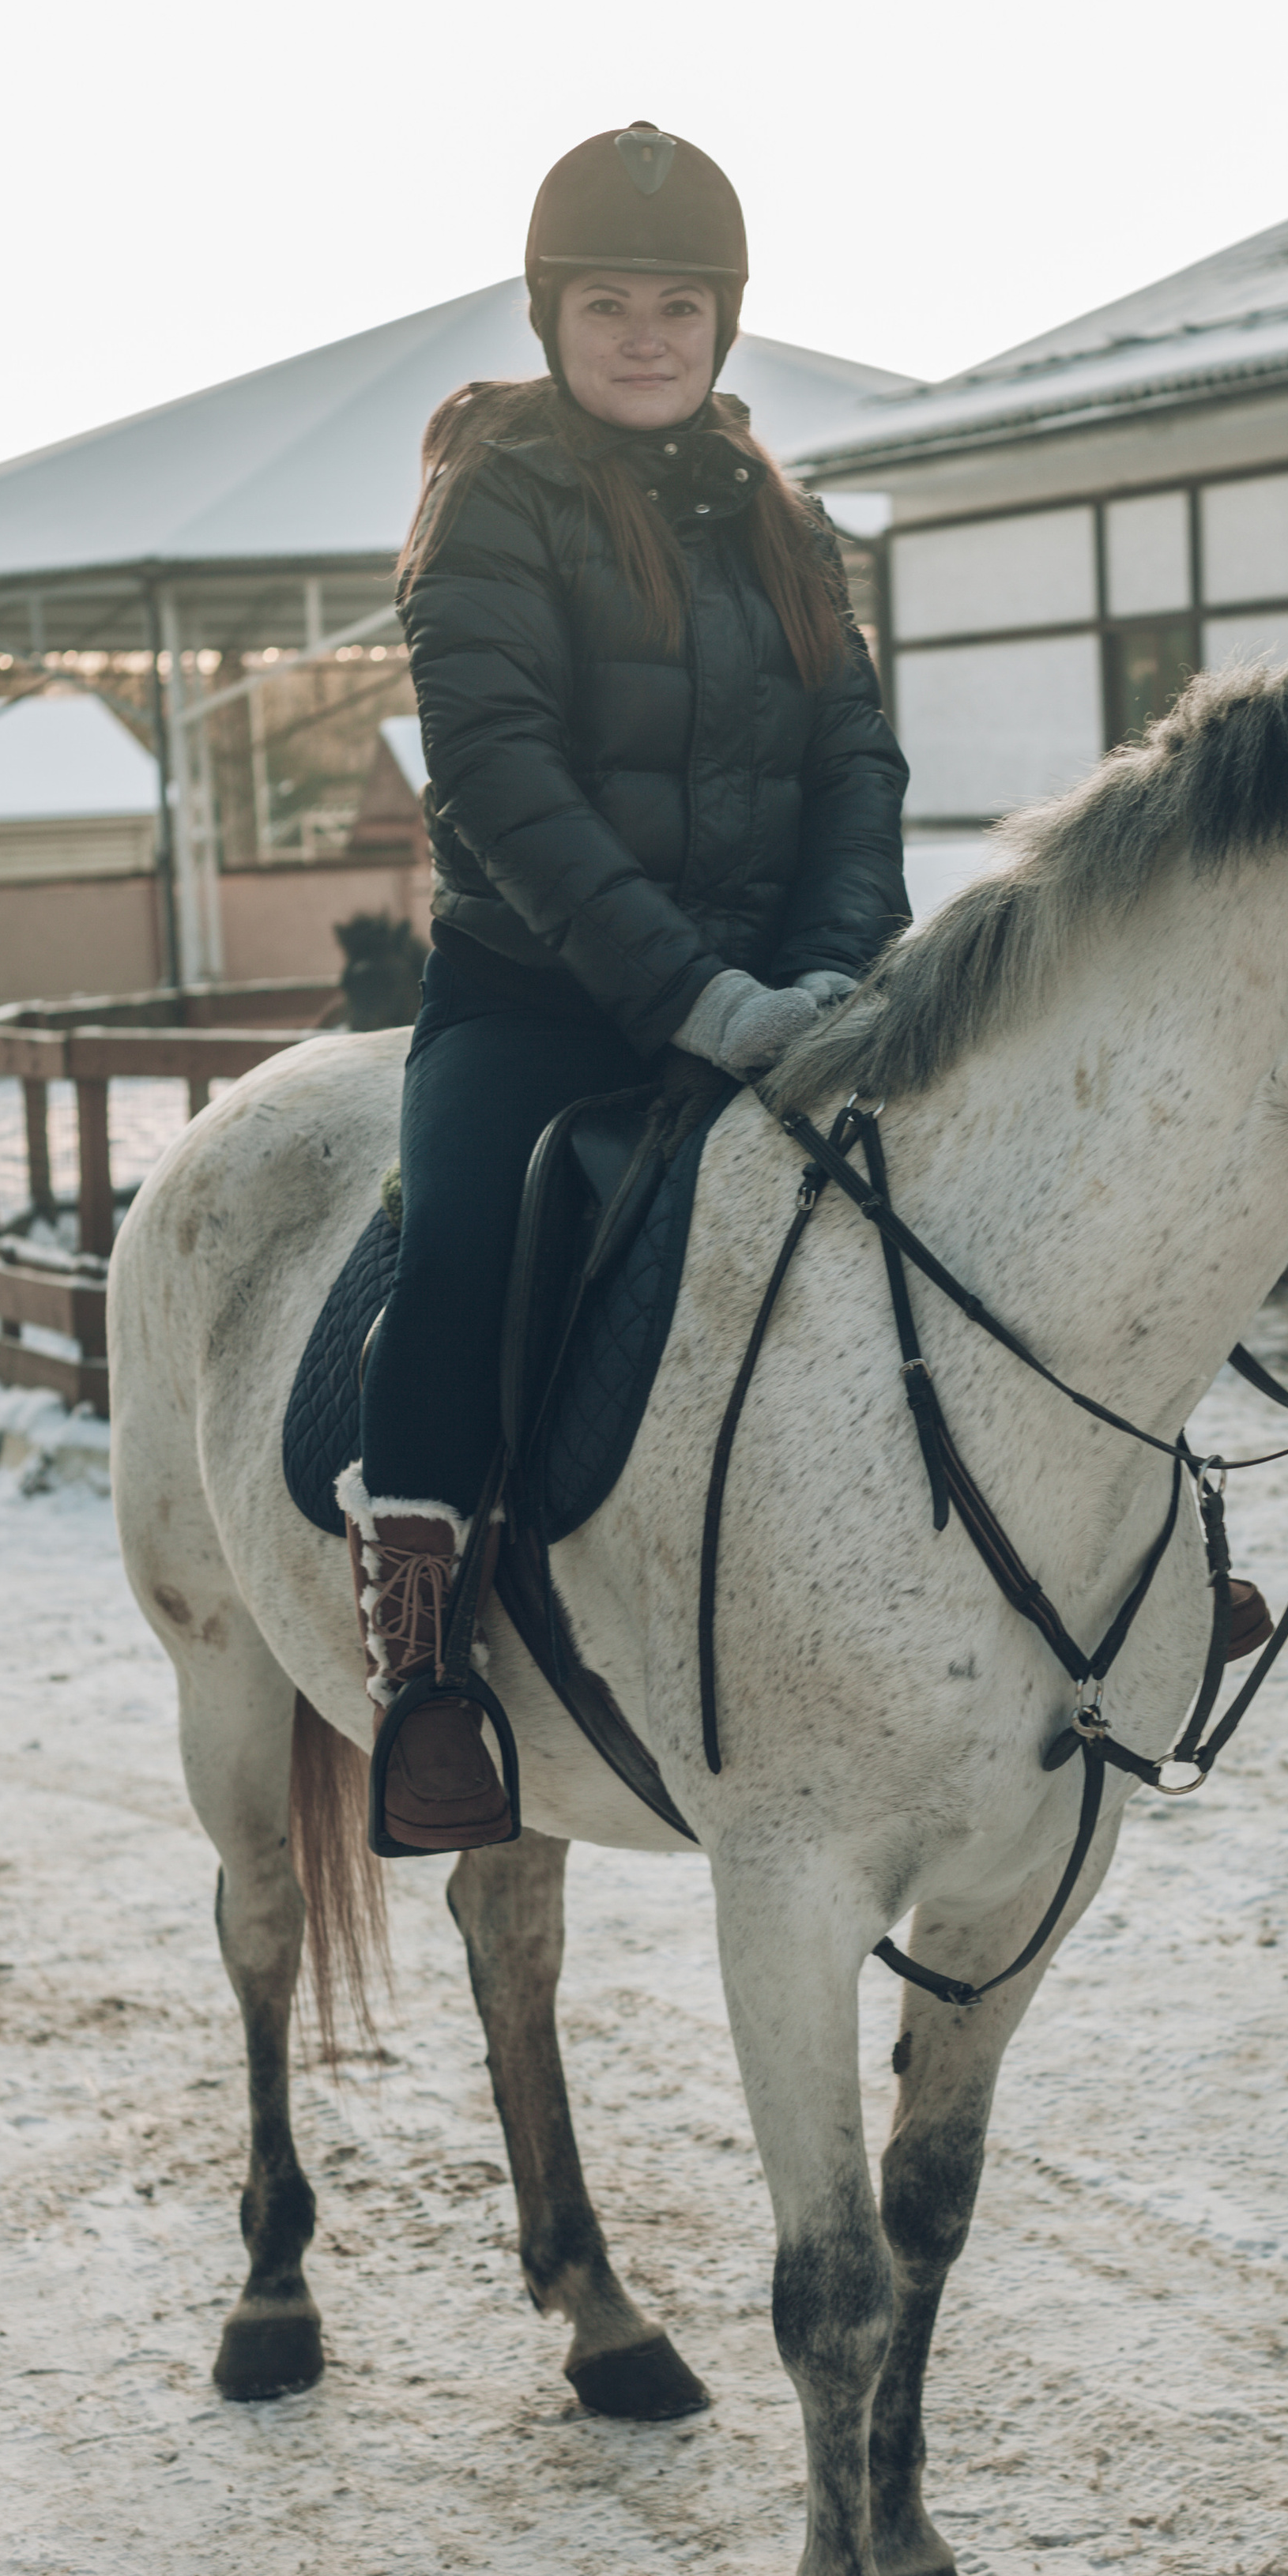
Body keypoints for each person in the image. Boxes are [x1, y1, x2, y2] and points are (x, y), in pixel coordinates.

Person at [338, 123, 910, 1855]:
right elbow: (500, 778)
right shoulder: (496, 497)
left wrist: (828, 969)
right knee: (460, 1243)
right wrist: (695, 1001)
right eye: (609, 304)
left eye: (678, 306)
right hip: (535, 996)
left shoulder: (784, 520)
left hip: (782, 991)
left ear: (722, 321)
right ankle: (422, 1654)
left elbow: (854, 763)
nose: (646, 336)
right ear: (551, 317)